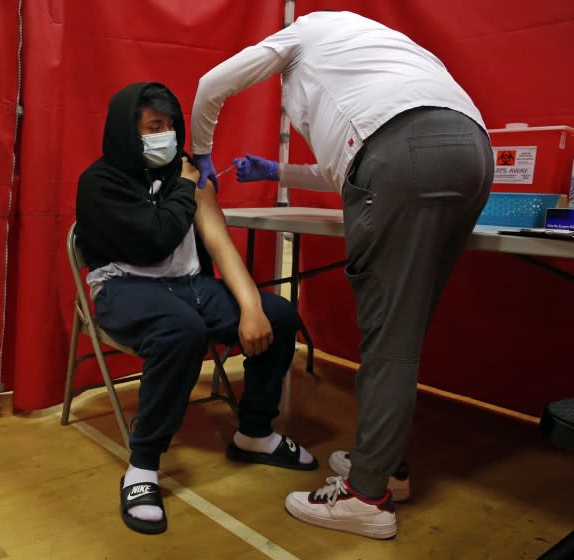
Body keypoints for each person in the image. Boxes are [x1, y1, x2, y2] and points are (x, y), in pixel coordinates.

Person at [191, 10, 493, 539]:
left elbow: (210, 85)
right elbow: (361, 164)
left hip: (404, 157)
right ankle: (386, 463)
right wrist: (278, 170)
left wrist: (200, 151)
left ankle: (365, 497)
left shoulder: (304, 32)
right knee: (406, 326)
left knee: (389, 339)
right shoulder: (385, 51)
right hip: (472, 152)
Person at [75, 82, 317, 535]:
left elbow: (218, 242)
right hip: (124, 288)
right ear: (128, 131)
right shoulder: (100, 182)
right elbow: (155, 238)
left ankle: (254, 433)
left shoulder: (183, 174)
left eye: (170, 126)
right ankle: (143, 466)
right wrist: (187, 188)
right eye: (153, 127)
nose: (165, 135)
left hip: (192, 285)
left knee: (279, 315)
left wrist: (250, 307)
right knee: (180, 329)